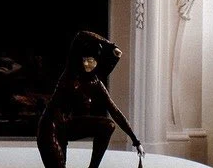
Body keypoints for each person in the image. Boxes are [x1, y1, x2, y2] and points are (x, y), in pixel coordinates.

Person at [37, 31, 144, 168]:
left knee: (108, 125)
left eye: (91, 61)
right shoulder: (71, 73)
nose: (87, 64)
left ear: (97, 62)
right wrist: (110, 45)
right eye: (85, 60)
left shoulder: (96, 84)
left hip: (67, 126)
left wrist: (136, 141)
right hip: (50, 127)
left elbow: (115, 112)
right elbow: (81, 35)